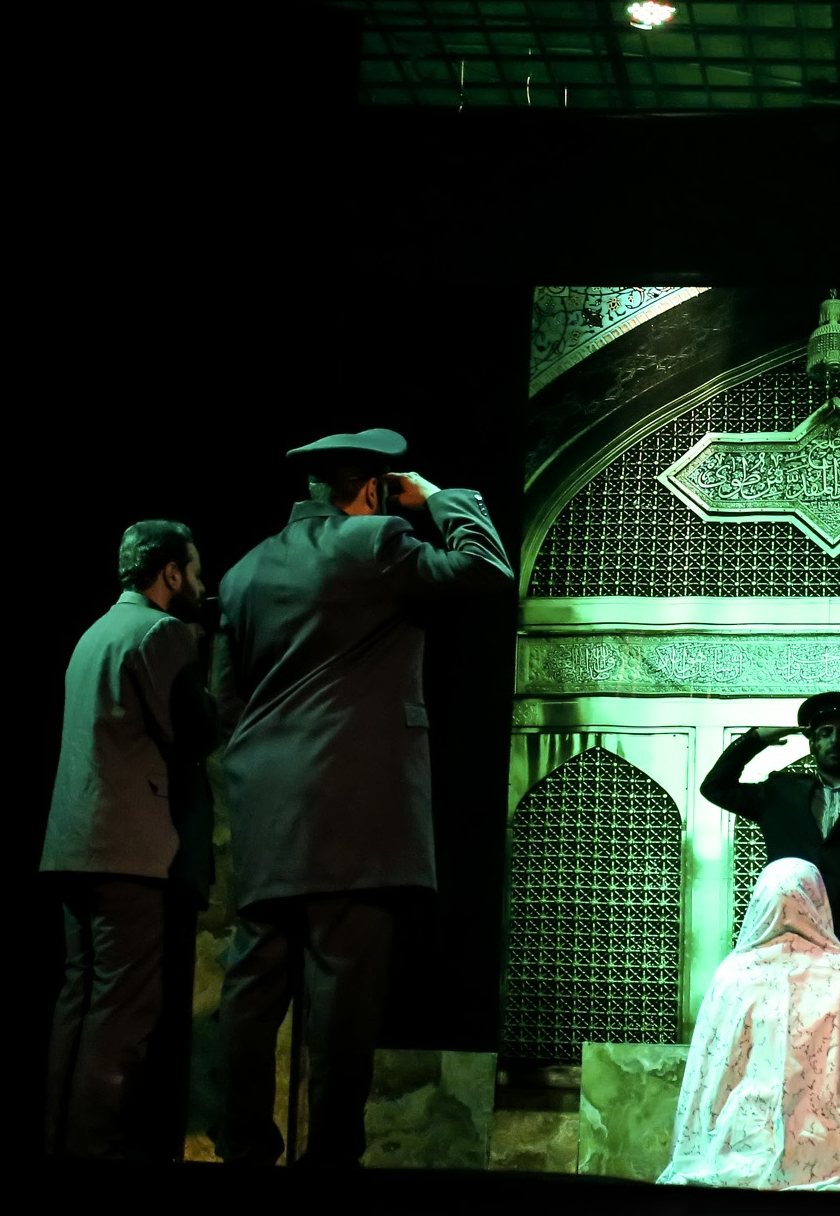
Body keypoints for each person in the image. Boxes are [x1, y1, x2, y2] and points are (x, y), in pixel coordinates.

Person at [212, 428, 514, 1167]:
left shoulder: (243, 570)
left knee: (253, 982)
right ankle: (330, 1153)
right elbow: (486, 567)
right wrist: (436, 496)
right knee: (343, 987)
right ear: (374, 487)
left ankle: (241, 1146)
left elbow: (225, 697)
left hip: (265, 803)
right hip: (352, 804)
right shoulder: (373, 542)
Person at [39, 519, 217, 1159]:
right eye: (194, 571)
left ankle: (60, 1144)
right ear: (170, 572)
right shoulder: (160, 632)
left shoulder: (92, 634)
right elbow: (195, 733)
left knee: (79, 1004)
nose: (200, 584)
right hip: (130, 856)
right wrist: (208, 666)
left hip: (76, 848)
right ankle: (95, 1154)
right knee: (121, 1015)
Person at [659, 859, 840, 1191]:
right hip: (822, 1148)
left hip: (737, 1143)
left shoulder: (733, 975)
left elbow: (706, 1082)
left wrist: (695, 1148)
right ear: (817, 900)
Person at [701, 692, 840, 1011]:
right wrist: (757, 739)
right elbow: (715, 787)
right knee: (787, 1029)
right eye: (824, 733)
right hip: (785, 940)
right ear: (812, 743)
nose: (834, 740)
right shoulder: (781, 792)